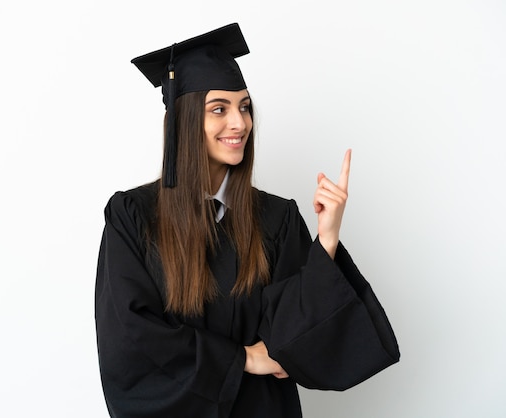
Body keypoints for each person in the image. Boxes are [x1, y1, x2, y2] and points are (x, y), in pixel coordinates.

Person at [95, 23, 400, 418]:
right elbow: (130, 339)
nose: (240, 123)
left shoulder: (277, 218)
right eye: (219, 109)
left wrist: (326, 239)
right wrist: (240, 359)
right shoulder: (133, 217)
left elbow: (293, 341)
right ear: (184, 122)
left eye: (244, 106)